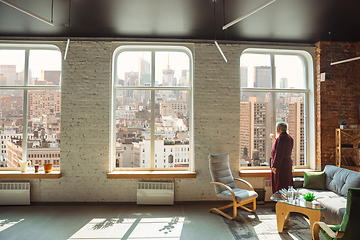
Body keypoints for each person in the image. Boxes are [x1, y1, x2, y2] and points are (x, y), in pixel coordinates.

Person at [270, 122, 294, 194]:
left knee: (280, 184)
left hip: (281, 165)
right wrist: (275, 139)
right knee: (286, 182)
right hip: (287, 164)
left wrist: (275, 166)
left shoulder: (281, 138)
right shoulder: (290, 138)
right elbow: (283, 148)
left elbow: (279, 153)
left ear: (278, 129)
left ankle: (280, 203)